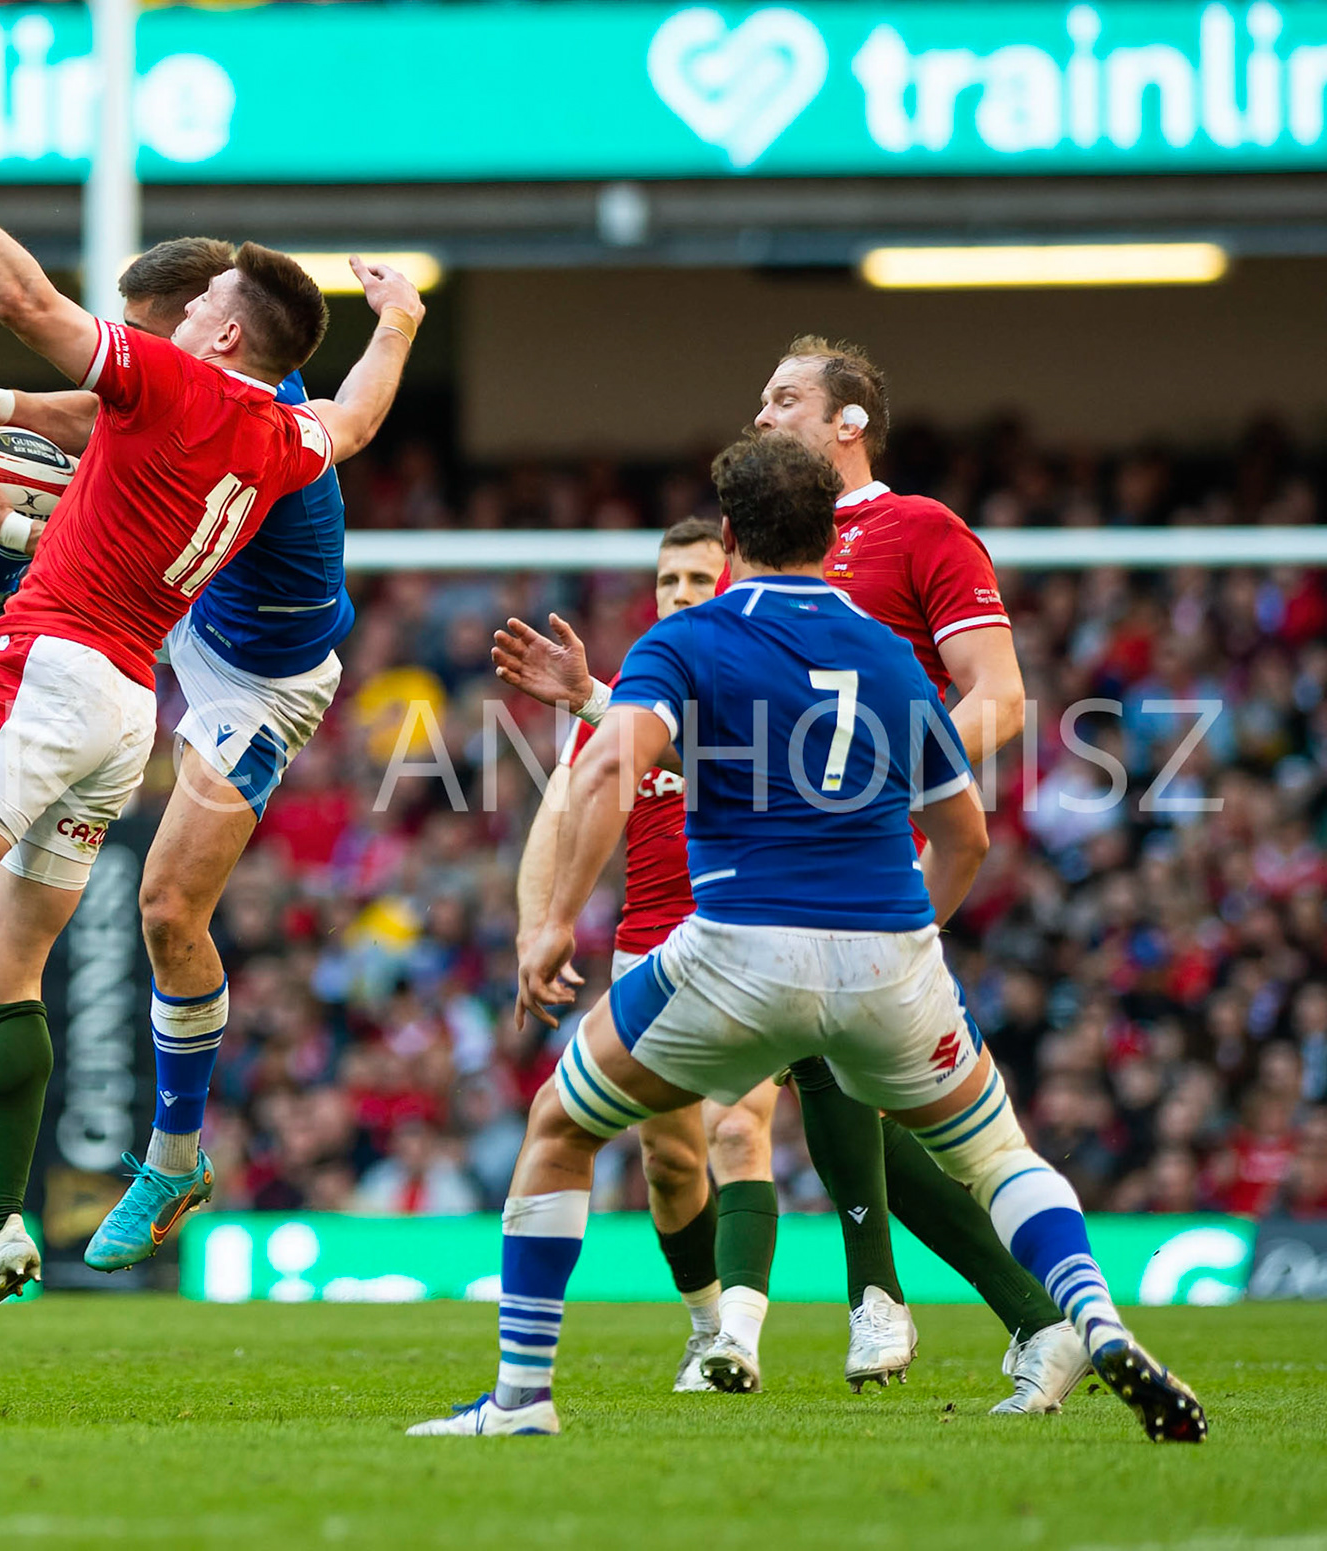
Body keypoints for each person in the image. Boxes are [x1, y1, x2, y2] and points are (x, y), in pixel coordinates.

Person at [410, 435, 1205, 1444]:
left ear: (731, 537)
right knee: (999, 1152)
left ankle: (522, 1400)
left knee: (562, 1128)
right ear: (834, 538)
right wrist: (917, 934)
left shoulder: (688, 640)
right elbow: (967, 834)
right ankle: (1092, 1319)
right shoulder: (888, 653)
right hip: (890, 950)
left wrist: (555, 919)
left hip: (740, 950)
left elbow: (611, 773)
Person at [0, 88, 419, 1357]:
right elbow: (353, 416)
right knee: (4, 971)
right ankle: (6, 1227)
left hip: (133, 666)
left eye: (191, 311)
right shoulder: (291, 430)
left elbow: (26, 303)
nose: (170, 321)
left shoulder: (185, 382)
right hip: (131, 687)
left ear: (227, 331)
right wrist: (396, 321)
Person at [494, 335, 1087, 1412]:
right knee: (859, 1090)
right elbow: (703, 723)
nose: (761, 415)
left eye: (784, 399)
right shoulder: (753, 565)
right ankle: (990, 1311)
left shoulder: (921, 531)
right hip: (783, 876)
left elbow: (997, 694)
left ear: (849, 422)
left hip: (867, 861)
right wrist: (593, 702)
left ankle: (880, 1306)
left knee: (777, 1096)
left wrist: (878, 794)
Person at [0, 236, 357, 1272]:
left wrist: (16, 514)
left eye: (141, 327)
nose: (130, 345)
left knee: (168, 911)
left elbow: (130, 545)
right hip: (160, 627)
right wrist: (13, 405)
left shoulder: (237, 423)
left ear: (201, 330)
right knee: (56, 494)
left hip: (252, 677)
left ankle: (173, 1156)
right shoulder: (253, 389)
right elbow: (117, 444)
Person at [509, 517, 788, 1393]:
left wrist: (591, 694)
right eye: (668, 583)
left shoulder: (767, 672)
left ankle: (742, 1335)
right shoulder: (641, 688)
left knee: (740, 1125)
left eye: (698, 579)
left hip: (751, 937)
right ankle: (708, 1328)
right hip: (648, 952)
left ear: (734, 582)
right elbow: (561, 813)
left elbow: (732, 764)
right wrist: (536, 930)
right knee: (669, 1162)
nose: (680, 597)